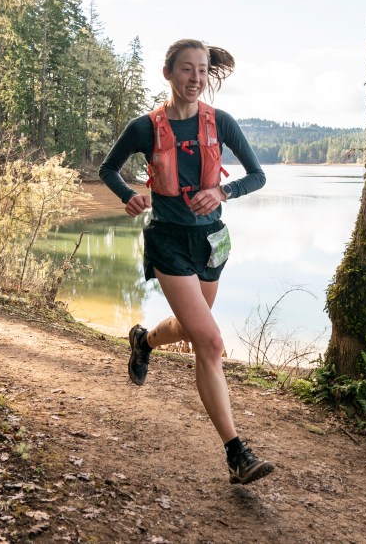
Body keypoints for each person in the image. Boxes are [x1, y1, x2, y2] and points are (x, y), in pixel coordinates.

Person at [98, 39, 273, 485]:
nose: (195, 79)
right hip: (169, 242)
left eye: (202, 71)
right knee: (210, 343)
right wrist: (129, 197)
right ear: (168, 74)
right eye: (186, 70)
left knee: (190, 328)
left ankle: (143, 340)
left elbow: (257, 175)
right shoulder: (144, 127)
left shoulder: (223, 123)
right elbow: (108, 170)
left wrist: (224, 192)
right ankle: (237, 454)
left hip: (211, 241)